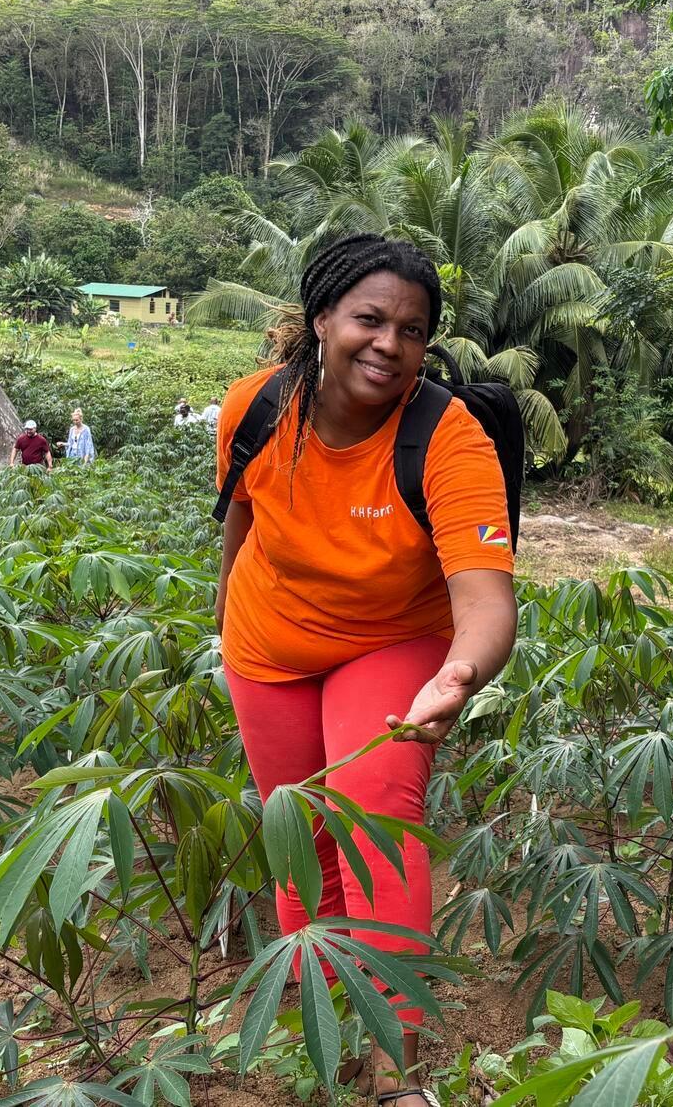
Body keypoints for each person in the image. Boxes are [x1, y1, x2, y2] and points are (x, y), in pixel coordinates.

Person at [215, 233, 517, 1106]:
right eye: (370, 319)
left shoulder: (447, 438)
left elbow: (487, 598)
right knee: (300, 846)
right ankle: (324, 1026)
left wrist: (459, 675)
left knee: (375, 831)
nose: (390, 343)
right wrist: (227, 626)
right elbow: (241, 524)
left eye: (414, 330)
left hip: (396, 644)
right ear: (321, 321)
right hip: (269, 645)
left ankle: (397, 1075)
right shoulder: (257, 407)